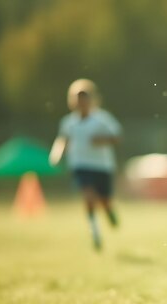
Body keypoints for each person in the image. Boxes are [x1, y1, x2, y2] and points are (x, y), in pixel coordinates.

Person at [49, 78, 122, 250]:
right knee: (88, 196)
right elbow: (63, 140)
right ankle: (95, 231)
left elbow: (117, 137)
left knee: (104, 200)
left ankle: (109, 210)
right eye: (77, 98)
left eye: (85, 97)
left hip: (102, 166)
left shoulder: (103, 119)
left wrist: (102, 140)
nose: (81, 102)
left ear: (92, 99)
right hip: (80, 165)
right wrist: (56, 155)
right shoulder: (68, 122)